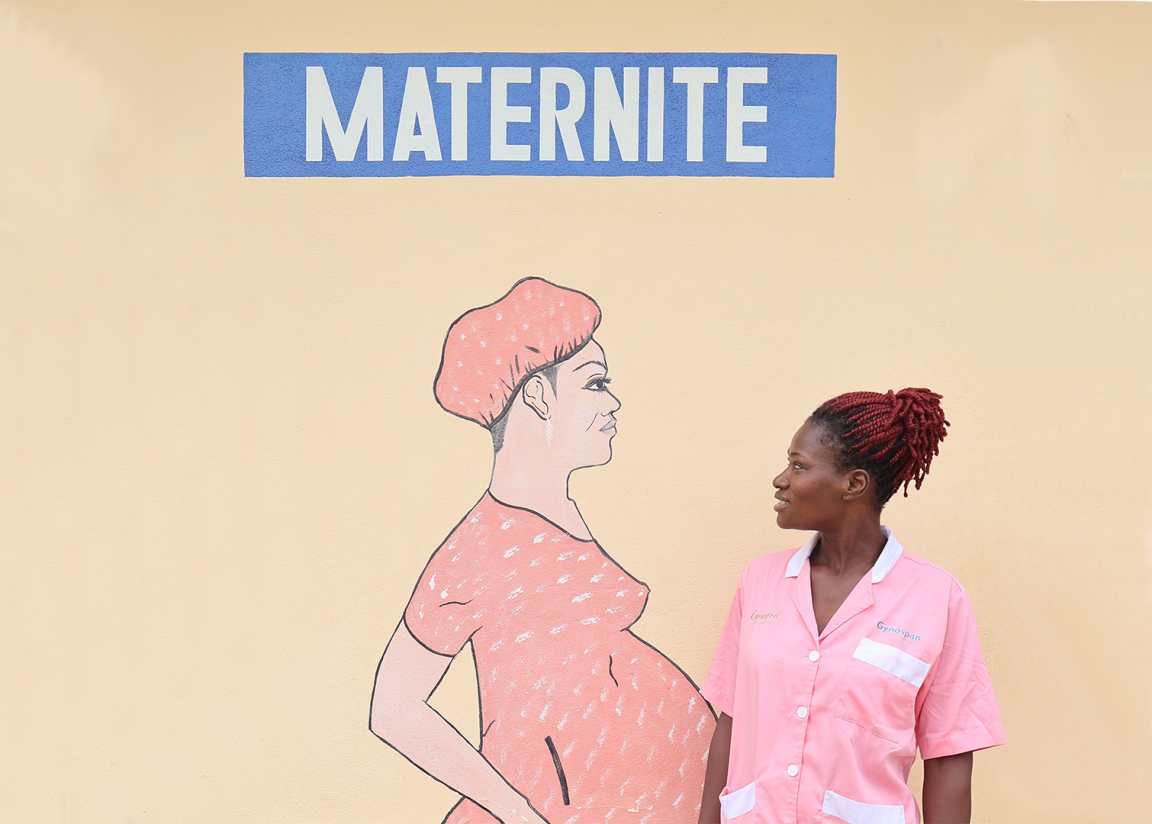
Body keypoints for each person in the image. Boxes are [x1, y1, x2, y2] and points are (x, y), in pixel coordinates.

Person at [371, 278, 716, 824]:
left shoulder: (562, 515)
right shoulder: (477, 550)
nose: (614, 401)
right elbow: (393, 708)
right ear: (538, 395)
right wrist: (518, 812)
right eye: (596, 384)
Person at [698, 389, 1005, 824]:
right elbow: (732, 719)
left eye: (799, 466)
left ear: (854, 484)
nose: (781, 479)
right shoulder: (759, 583)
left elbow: (949, 754)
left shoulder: (938, 599)